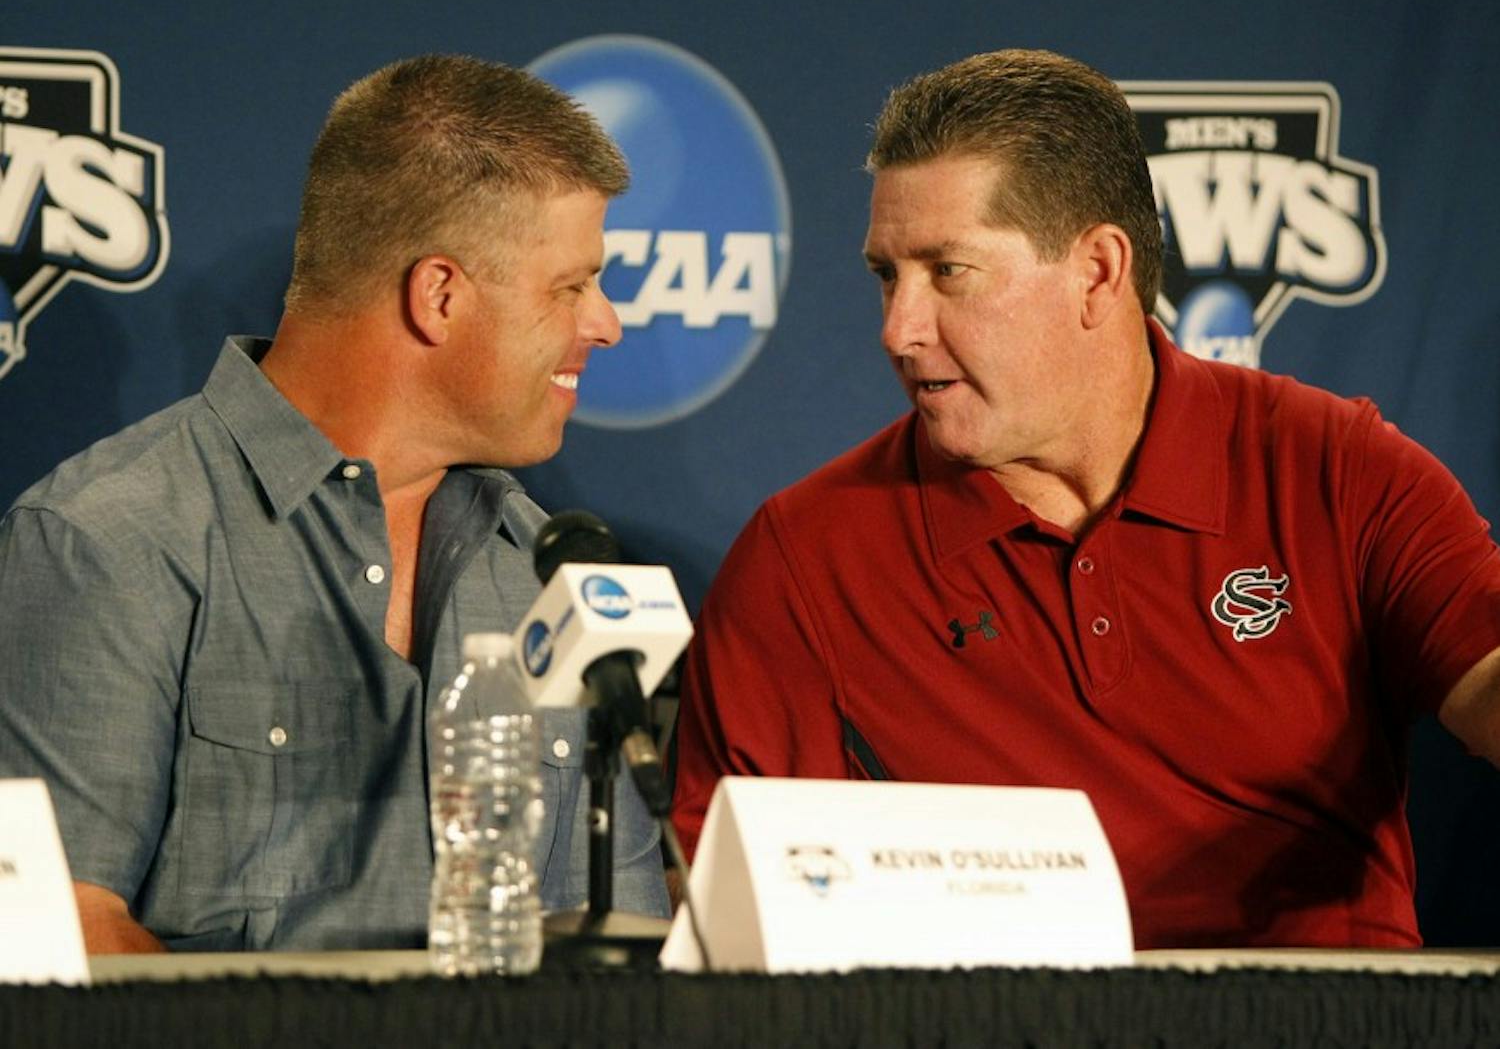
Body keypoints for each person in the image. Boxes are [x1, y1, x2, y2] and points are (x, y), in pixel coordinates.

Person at [670, 49, 1500, 949]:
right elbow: (722, 930)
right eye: (886, 274)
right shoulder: (805, 561)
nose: (898, 329)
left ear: (1098, 272)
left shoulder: (1332, 468)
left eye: (948, 271)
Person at [0, 55, 669, 952]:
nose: (608, 321)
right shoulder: (107, 542)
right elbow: (60, 933)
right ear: (439, 295)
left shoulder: (549, 567)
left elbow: (627, 946)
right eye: (573, 285)